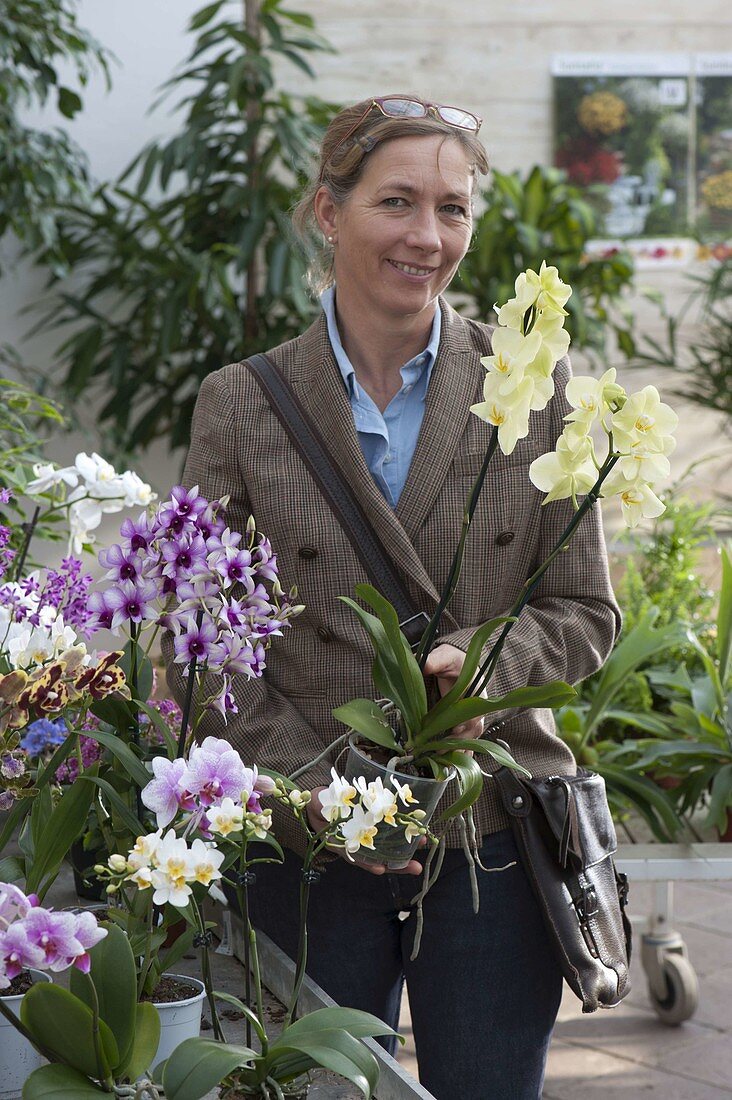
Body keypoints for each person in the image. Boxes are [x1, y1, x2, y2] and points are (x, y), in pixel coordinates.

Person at [169, 95, 621, 1099]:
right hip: (306, 842)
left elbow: (589, 613)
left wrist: (483, 662)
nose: (428, 237)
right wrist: (324, 793)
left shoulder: (534, 387)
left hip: (491, 841)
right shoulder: (243, 403)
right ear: (328, 213)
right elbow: (197, 638)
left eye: (453, 208)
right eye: (398, 201)